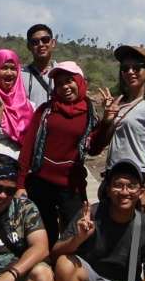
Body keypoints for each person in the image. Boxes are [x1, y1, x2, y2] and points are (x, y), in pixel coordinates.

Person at [16, 61, 98, 256]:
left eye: (69, 81)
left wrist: (109, 122)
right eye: (59, 83)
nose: (64, 87)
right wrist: (20, 184)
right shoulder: (46, 110)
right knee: (42, 237)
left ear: (79, 81)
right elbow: (28, 147)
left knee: (75, 236)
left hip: (72, 186)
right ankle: (44, 272)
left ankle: (66, 272)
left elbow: (94, 148)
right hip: (40, 184)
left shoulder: (89, 113)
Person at [87, 44, 145, 215]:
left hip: (138, 178)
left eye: (136, 68)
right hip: (114, 176)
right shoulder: (118, 105)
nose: (130, 72)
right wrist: (107, 120)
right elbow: (103, 143)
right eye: (125, 68)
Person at [22, 23, 57, 108]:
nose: (41, 44)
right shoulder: (19, 76)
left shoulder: (63, 73)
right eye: (35, 42)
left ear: (53, 43)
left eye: (45, 40)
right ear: (29, 46)